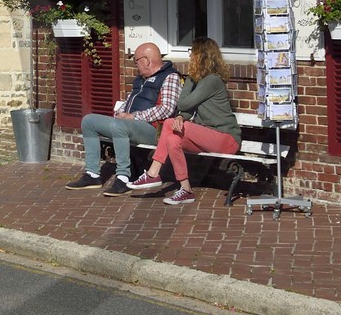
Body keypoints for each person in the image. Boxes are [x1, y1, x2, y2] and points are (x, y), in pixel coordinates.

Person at [127, 37, 241, 205]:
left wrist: (190, 79)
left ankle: (153, 173)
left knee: (168, 123)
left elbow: (183, 104)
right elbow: (187, 109)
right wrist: (181, 117)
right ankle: (186, 190)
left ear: (201, 56)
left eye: (192, 52)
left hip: (226, 138)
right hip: (208, 136)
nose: (190, 56)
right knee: (173, 140)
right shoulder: (200, 80)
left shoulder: (212, 80)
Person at [65, 41, 181, 194]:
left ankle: (123, 178)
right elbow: (129, 102)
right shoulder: (140, 79)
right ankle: (92, 175)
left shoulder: (170, 77)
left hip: (153, 129)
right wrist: (120, 113)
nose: (135, 65)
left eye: (136, 61)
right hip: (128, 125)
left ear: (147, 61)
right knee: (89, 121)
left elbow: (167, 109)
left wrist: (134, 117)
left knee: (119, 126)